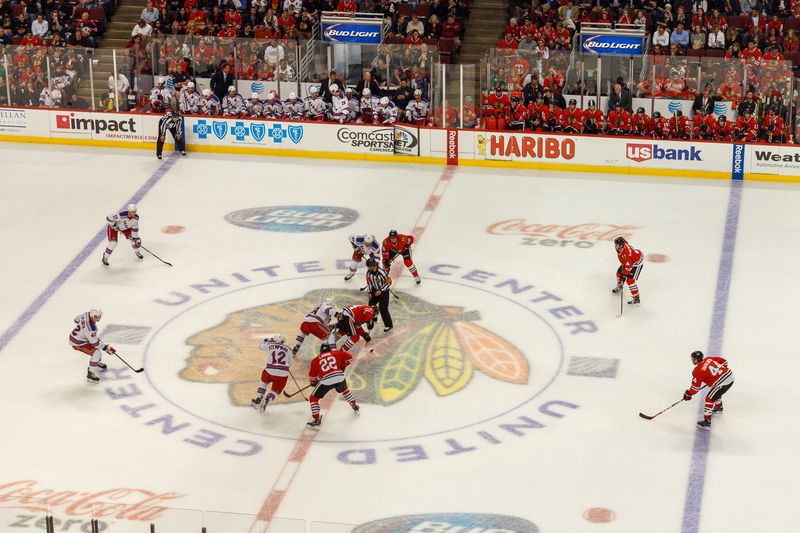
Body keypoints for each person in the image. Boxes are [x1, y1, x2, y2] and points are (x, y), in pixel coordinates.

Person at [306, 344, 360, 429]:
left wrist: (314, 383)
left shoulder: (315, 360)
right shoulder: (337, 352)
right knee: (344, 389)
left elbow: (312, 376)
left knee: (313, 398)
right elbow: (349, 358)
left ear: (320, 351)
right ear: (330, 349)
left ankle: (316, 419)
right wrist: (342, 367)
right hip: (339, 376)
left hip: (326, 380)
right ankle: (353, 404)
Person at [683, 350, 734, 430]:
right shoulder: (708, 359)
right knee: (715, 392)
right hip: (730, 376)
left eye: (692, 359)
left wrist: (688, 394)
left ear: (695, 360)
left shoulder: (698, 371)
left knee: (709, 398)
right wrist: (719, 374)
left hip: (723, 383)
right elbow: (724, 362)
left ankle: (707, 422)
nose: (692, 360)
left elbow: (695, 388)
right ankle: (719, 407)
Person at [69, 308, 116, 383]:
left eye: (99, 316)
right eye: (96, 317)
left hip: (79, 338)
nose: (98, 318)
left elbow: (76, 319)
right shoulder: (91, 328)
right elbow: (95, 343)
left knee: (97, 350)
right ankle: (90, 375)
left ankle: (96, 362)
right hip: (78, 343)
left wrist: (84, 331)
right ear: (92, 315)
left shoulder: (86, 314)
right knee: (97, 353)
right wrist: (106, 348)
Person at [250, 334, 294, 412]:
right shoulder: (289, 349)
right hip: (283, 373)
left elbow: (260, 346)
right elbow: (290, 363)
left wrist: (267, 341)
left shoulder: (270, 345)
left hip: (269, 370)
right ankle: (268, 398)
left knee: (263, 383)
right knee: (275, 391)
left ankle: (258, 399)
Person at [612, 236, 643, 305]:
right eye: (615, 244)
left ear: (621, 245)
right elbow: (626, 242)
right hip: (629, 261)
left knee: (629, 280)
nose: (615, 246)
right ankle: (620, 286)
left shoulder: (625, 253)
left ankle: (636, 298)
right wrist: (622, 275)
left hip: (637, 262)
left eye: (617, 245)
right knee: (618, 274)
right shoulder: (622, 247)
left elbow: (629, 266)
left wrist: (624, 275)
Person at [365, 258, 393, 332]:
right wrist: (369, 292)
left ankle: (388, 325)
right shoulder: (368, 273)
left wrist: (381, 290)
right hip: (374, 291)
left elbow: (389, 282)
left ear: (374, 265)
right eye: (368, 266)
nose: (369, 268)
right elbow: (369, 283)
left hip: (384, 291)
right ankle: (373, 318)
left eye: (370, 266)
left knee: (383, 308)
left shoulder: (382, 272)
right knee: (370, 306)